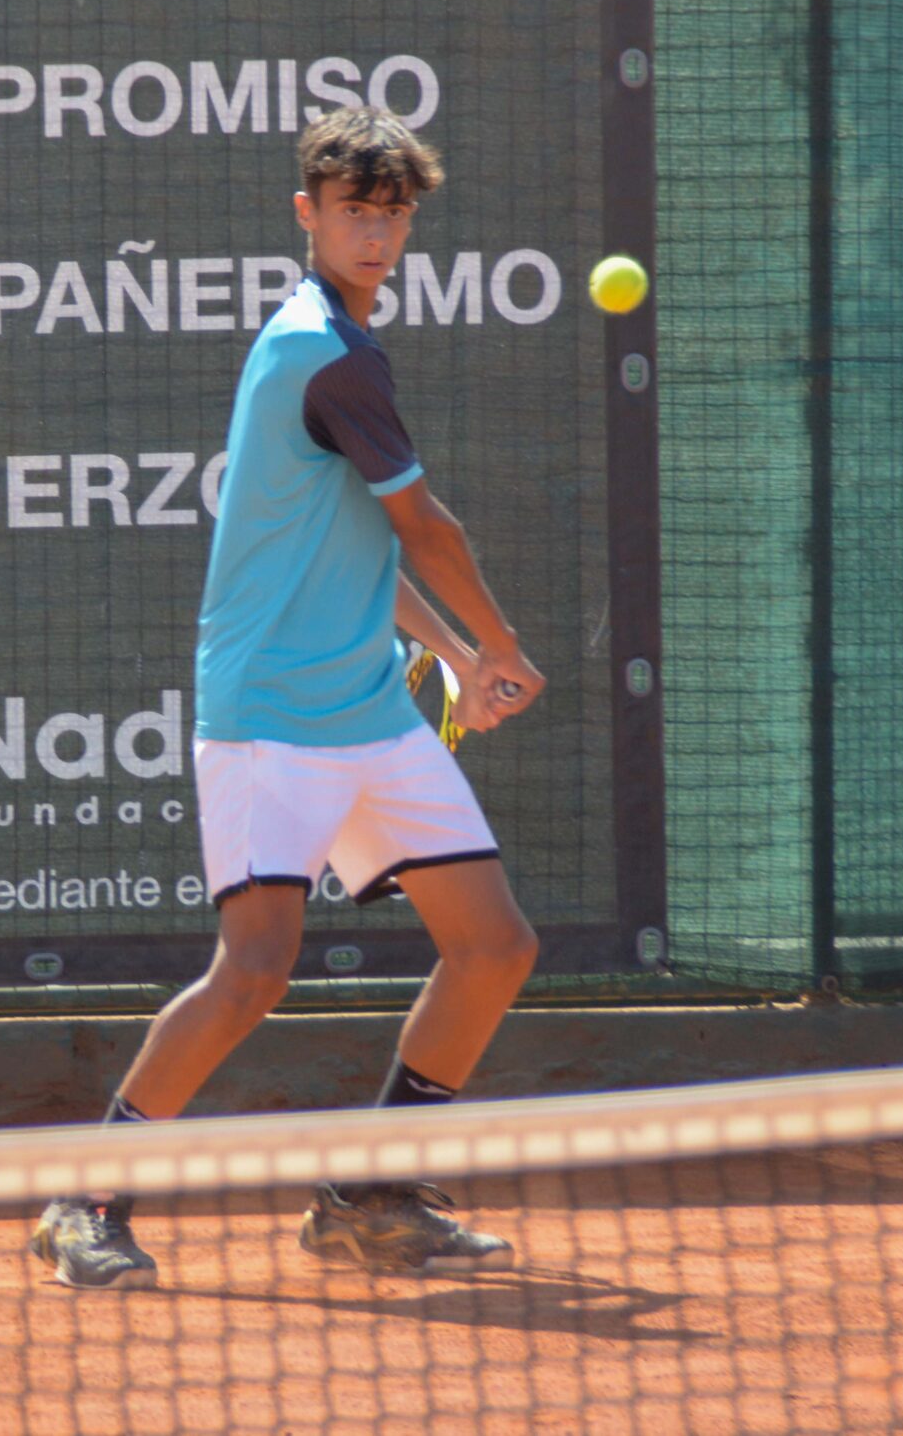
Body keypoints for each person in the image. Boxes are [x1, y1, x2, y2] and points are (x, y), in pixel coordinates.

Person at [31, 105, 546, 1291]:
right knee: (255, 968)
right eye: (353, 212)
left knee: (493, 946)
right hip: (268, 712)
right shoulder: (325, 353)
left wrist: (455, 659)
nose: (374, 234)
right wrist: (500, 643)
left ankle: (370, 1197)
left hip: (369, 709)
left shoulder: (341, 348)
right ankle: (82, 1199)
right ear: (306, 215)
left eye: (392, 215)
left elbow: (359, 541)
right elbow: (426, 526)